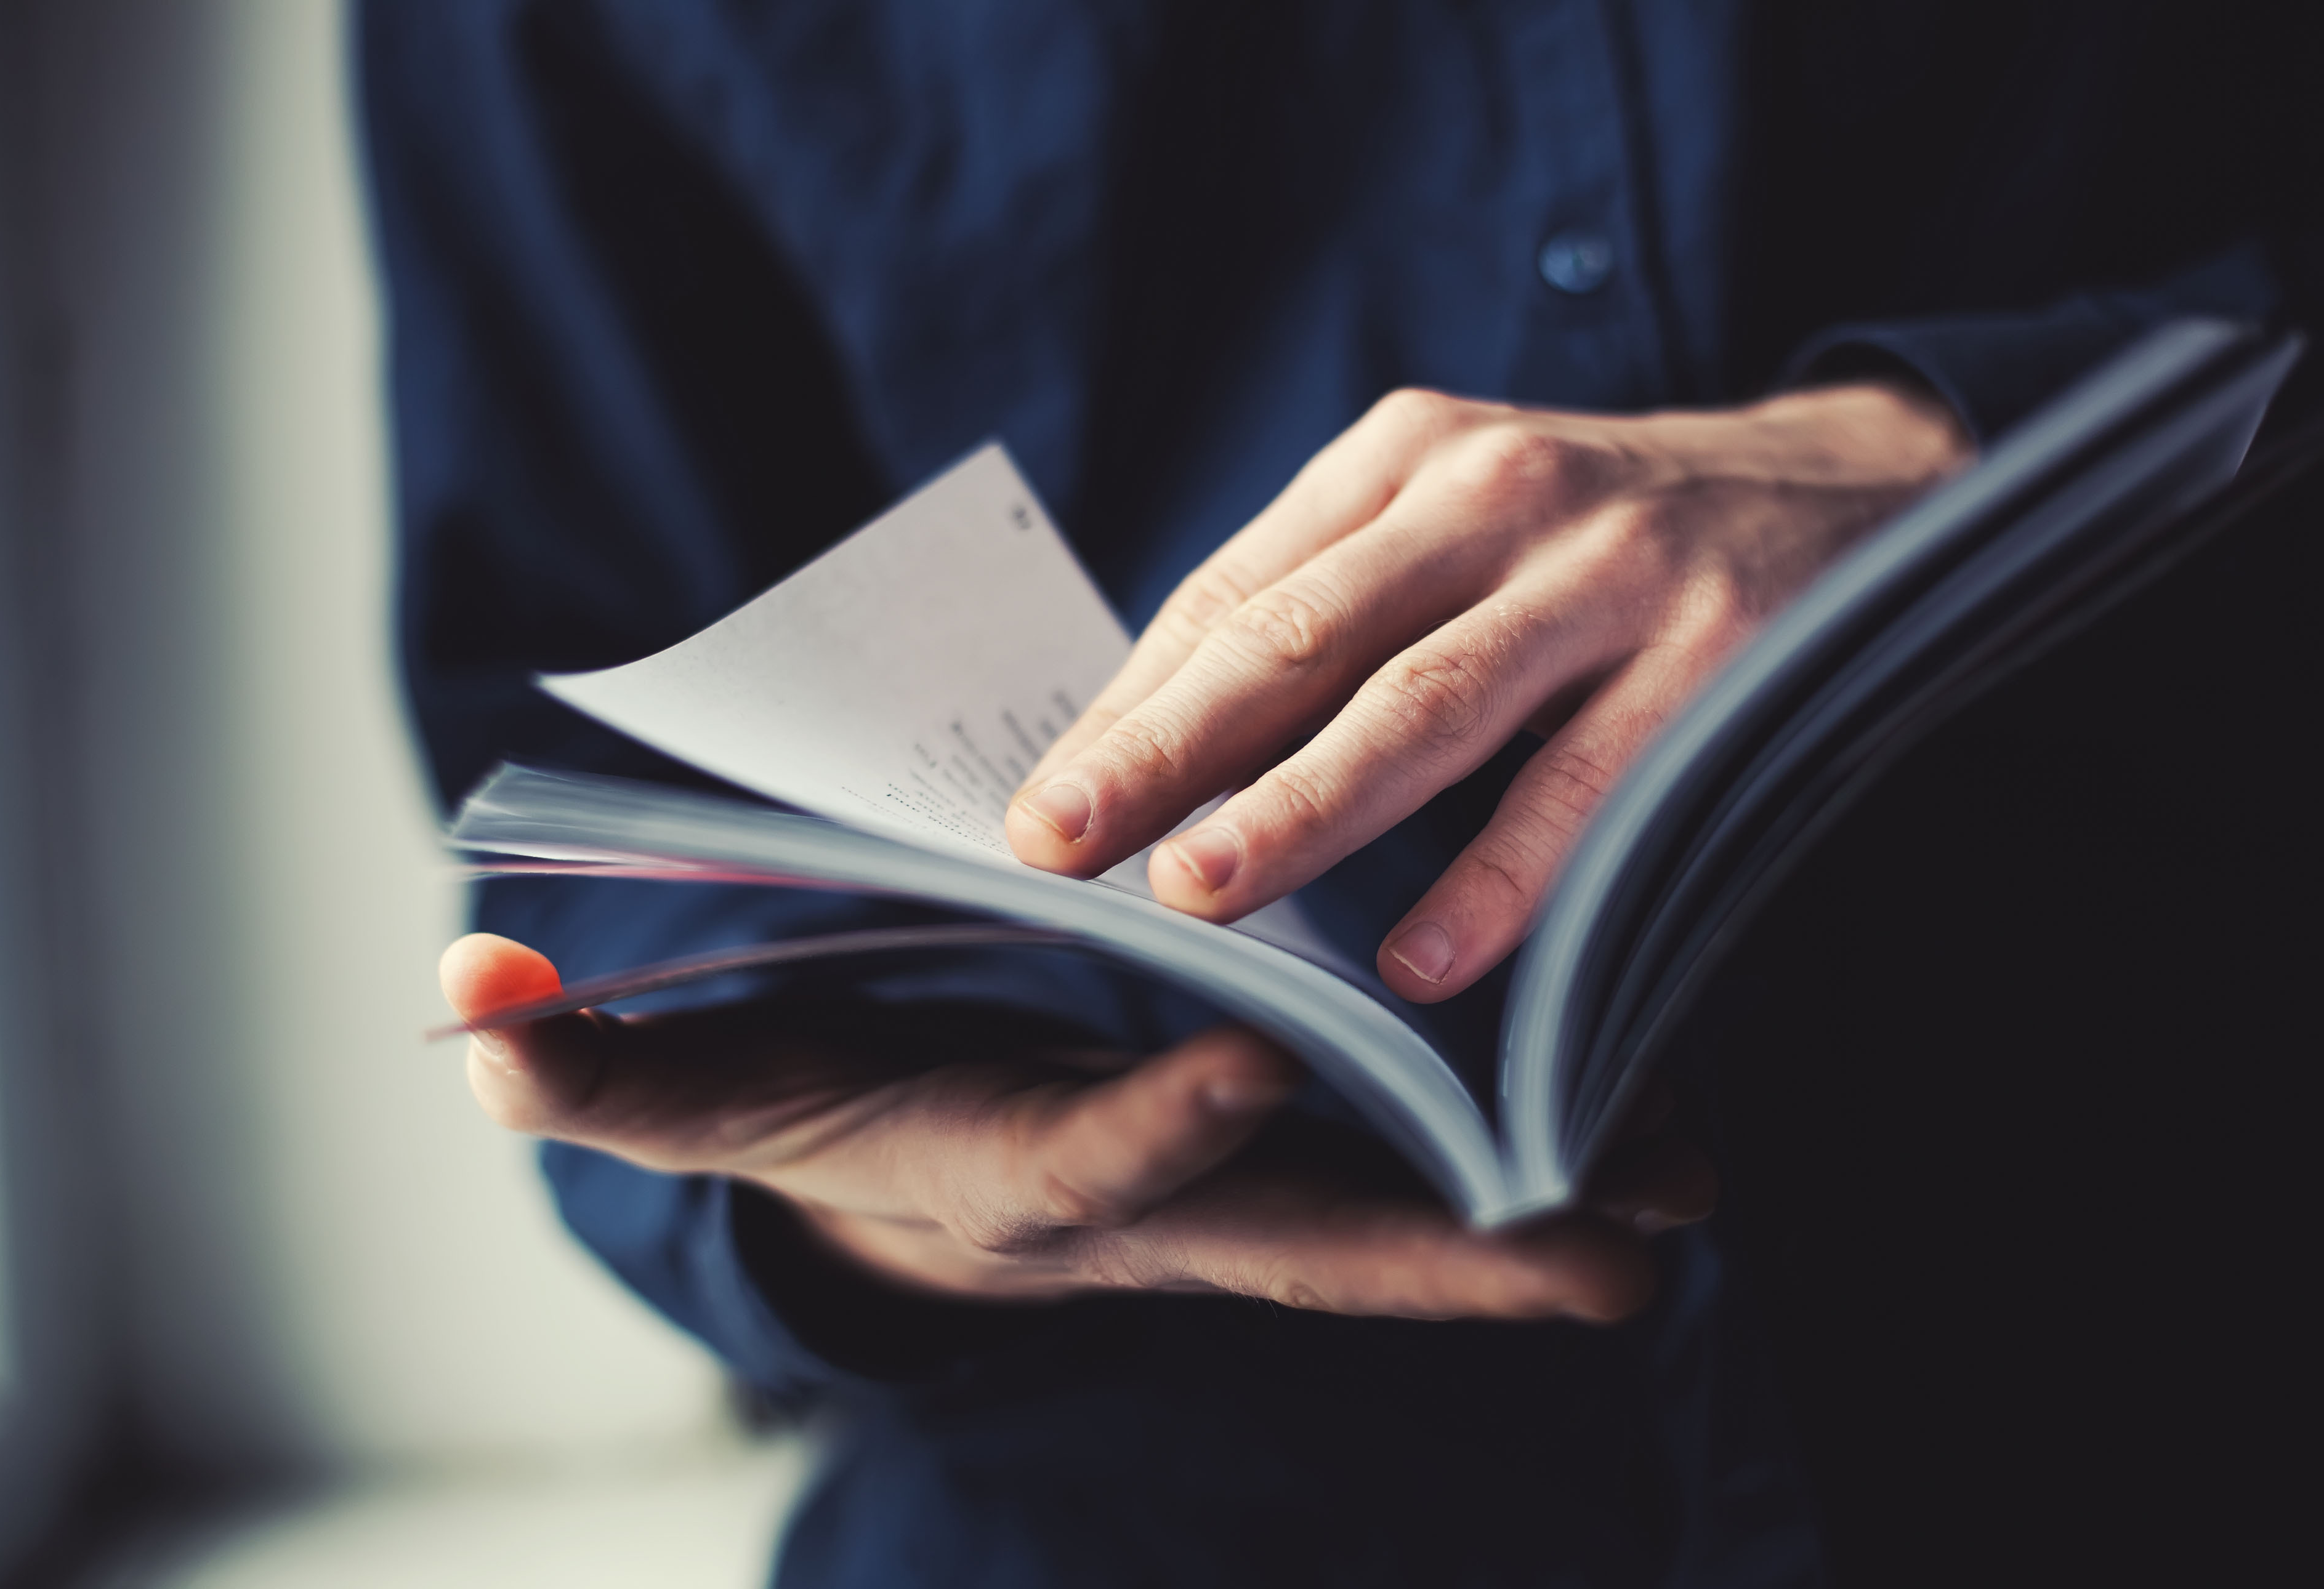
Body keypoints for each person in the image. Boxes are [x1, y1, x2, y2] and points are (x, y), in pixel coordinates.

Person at [357, 4, 2318, 1584]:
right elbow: (603, 720)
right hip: (1138, 1486)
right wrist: (873, 1213)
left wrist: (1982, 454)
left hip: (2175, 1362)